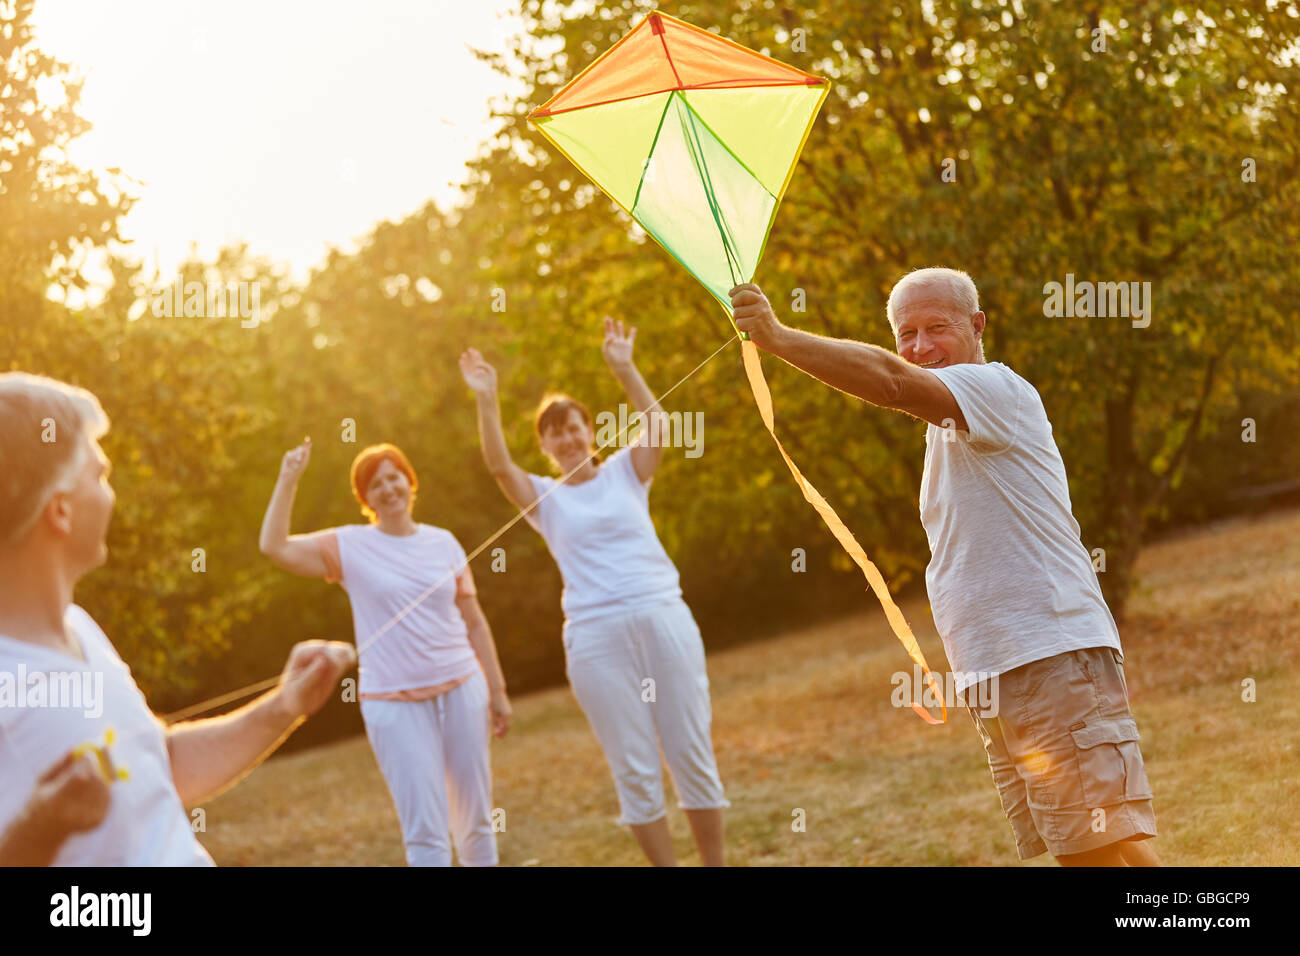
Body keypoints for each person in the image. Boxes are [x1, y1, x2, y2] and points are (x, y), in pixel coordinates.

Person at [729, 268, 1160, 867]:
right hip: (1005, 668)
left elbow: (890, 381)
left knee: (1089, 850)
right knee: (1097, 845)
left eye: (937, 328)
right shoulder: (948, 429)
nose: (920, 347)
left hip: (1048, 655)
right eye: (906, 334)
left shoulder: (994, 390)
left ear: (978, 326)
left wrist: (776, 338)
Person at [0, 372, 355, 866]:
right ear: (59, 511)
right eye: (99, 475)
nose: (110, 494)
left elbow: (159, 764)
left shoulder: (79, 627)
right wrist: (40, 828)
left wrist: (284, 704)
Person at [459, 318, 728, 867]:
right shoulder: (544, 498)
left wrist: (625, 368)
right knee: (633, 764)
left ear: (590, 430)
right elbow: (496, 466)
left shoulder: (627, 472)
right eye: (553, 432)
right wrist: (486, 399)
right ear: (545, 445)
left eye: (573, 426)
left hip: (661, 615)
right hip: (595, 638)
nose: (566, 437)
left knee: (690, 750)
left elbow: (659, 425)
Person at [259, 438, 510, 867]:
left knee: (476, 821)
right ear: (365, 499)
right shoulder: (349, 545)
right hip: (393, 705)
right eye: (376, 484)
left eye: (395, 478)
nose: (388, 488)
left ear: (410, 483)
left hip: (463, 689)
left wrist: (498, 691)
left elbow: (475, 622)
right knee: (426, 832)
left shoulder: (443, 542)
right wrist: (288, 478)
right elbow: (274, 546)